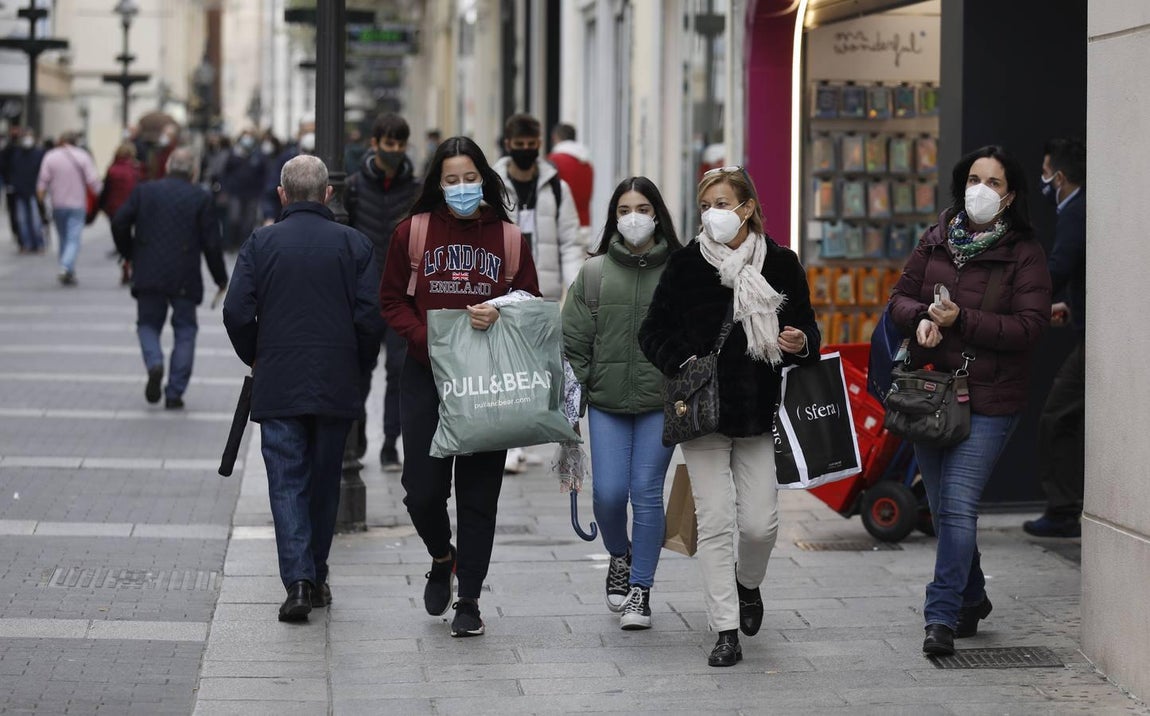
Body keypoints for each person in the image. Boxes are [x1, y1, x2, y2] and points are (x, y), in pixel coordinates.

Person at [638, 167, 820, 667]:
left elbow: (806, 326)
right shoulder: (685, 265)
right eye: (706, 205)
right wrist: (682, 361)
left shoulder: (780, 263)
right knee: (716, 522)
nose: (713, 213)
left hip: (757, 413)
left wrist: (801, 341)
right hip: (702, 414)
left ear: (747, 208)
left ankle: (748, 585)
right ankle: (725, 629)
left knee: (761, 525)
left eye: (723, 203)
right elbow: (651, 331)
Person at [888, 145, 1052, 656]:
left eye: (994, 183)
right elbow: (898, 298)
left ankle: (940, 616)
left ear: (1010, 196)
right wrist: (920, 320)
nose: (981, 189)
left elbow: (1029, 326)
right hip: (930, 393)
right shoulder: (936, 239)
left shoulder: (1025, 253)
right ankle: (972, 597)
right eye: (974, 178)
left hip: (989, 400)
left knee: (957, 506)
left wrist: (962, 321)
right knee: (943, 510)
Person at [379, 136, 542, 637]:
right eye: (451, 179)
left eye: (470, 178)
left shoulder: (510, 238)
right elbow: (390, 302)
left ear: (485, 180)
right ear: (437, 183)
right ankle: (440, 554)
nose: (462, 187)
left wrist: (503, 308)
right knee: (421, 491)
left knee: (478, 495)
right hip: (427, 376)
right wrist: (429, 338)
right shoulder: (413, 232)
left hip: (485, 381)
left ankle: (469, 597)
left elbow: (530, 299)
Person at [222, 155, 380, 622]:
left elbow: (235, 311)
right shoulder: (354, 244)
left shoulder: (261, 242)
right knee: (326, 481)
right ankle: (318, 573)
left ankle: (298, 582)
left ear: (282, 195)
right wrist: (359, 364)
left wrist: (257, 351)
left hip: (280, 381)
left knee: (286, 481)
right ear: (327, 194)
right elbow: (370, 318)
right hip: (335, 382)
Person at [562, 177, 682, 630]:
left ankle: (640, 592)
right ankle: (619, 554)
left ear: (657, 214)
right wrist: (570, 410)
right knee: (610, 495)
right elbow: (574, 345)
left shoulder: (679, 269)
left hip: (661, 401)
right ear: (614, 217)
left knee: (646, 494)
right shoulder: (594, 273)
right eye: (625, 209)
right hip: (608, 403)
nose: (634, 217)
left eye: (643, 208)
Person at [494, 113, 582, 474]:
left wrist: (573, 291)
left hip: (543, 291)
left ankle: (520, 438)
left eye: (532, 145)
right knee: (506, 367)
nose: (526, 151)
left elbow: (569, 241)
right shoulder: (494, 184)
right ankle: (509, 443)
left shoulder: (556, 186)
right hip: (502, 291)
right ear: (508, 144)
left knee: (535, 370)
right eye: (520, 145)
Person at [111, 148, 228, 409]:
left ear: (168, 167)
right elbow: (212, 244)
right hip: (184, 274)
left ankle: (154, 363)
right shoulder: (201, 197)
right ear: (193, 171)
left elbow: (119, 221)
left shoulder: (145, 191)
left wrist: (129, 252)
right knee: (185, 330)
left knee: (148, 325)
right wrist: (220, 278)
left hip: (148, 270)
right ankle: (174, 392)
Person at [346, 112, 422, 470]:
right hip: (363, 296)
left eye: (400, 144)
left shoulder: (417, 190)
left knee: (398, 370)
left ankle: (391, 443)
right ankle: (357, 433)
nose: (395, 150)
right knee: (359, 371)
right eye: (388, 144)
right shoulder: (355, 187)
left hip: (403, 297)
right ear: (374, 144)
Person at [1023, 138, 1087, 539]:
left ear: (1060, 177)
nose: (1044, 182)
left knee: (1057, 415)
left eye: (1047, 174)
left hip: (1092, 340)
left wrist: (1030, 303)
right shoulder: (1080, 207)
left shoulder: (1075, 210)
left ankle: (1064, 510)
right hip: (1086, 326)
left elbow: (1062, 264)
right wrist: (1066, 306)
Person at [37, 132, 101, 285]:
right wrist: (101, 198)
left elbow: (42, 182)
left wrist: (40, 202)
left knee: (63, 238)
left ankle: (67, 269)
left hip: (58, 204)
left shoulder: (50, 156)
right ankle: (66, 267)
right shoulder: (83, 156)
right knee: (73, 238)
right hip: (77, 204)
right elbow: (93, 180)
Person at [101, 142, 143, 285]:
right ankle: (132, 263)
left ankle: (125, 261)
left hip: (115, 209)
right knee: (135, 238)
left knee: (121, 239)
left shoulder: (112, 169)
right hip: (133, 207)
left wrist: (102, 207)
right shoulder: (136, 169)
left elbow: (106, 190)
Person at [548, 123, 594, 246]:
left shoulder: (554, 161)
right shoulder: (587, 163)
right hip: (584, 224)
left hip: (562, 227)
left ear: (555, 138)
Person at [222, 130, 266, 249]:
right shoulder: (233, 155)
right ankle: (232, 243)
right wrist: (225, 189)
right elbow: (225, 173)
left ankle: (245, 244)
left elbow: (263, 174)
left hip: (252, 193)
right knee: (234, 218)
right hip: (235, 193)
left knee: (249, 221)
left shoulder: (258, 155)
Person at [8, 129, 45, 254]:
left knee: (35, 219)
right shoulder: (16, 153)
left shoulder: (38, 153)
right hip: (20, 191)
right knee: (22, 220)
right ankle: (26, 243)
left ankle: (38, 243)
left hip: (33, 190)